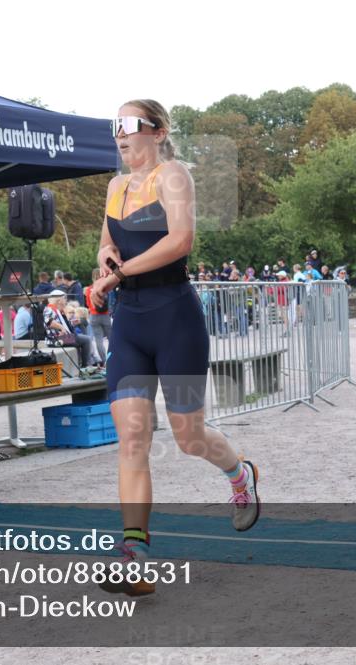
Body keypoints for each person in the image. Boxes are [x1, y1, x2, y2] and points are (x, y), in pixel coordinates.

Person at [89, 99, 260, 596]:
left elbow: (180, 241)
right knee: (132, 437)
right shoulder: (116, 187)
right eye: (115, 126)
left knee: (188, 437)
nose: (120, 134)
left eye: (129, 124)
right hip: (129, 323)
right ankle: (134, 555)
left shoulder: (174, 175)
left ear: (158, 132)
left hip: (175, 319)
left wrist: (118, 273)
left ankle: (239, 473)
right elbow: (106, 243)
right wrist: (106, 260)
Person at [43, 290, 94, 367]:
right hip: (55, 339)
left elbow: (61, 324)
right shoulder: (49, 309)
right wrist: (62, 328)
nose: (66, 301)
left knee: (82, 334)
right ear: (59, 300)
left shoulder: (56, 310)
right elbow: (48, 322)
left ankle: (84, 363)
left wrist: (73, 323)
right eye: (64, 299)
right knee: (86, 340)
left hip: (61, 337)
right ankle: (85, 365)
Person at [84, 268, 113, 366]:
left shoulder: (88, 289)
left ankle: (104, 361)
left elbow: (88, 304)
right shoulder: (105, 287)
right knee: (111, 338)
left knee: (98, 339)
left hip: (93, 316)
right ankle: (113, 358)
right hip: (105, 315)